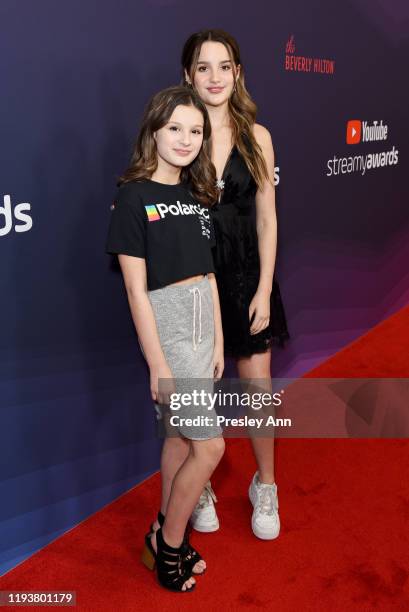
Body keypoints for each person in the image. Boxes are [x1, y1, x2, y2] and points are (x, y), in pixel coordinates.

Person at [106, 86, 225, 592]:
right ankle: (171, 546)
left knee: (180, 441)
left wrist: (218, 339)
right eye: (174, 128)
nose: (185, 139)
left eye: (195, 131)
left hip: (203, 326)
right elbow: (136, 290)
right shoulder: (134, 196)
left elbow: (209, 275)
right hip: (169, 330)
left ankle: (159, 534)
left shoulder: (196, 195)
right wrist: (157, 361)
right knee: (212, 447)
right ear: (153, 131)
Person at [180, 30, 290, 540]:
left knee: (258, 389)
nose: (215, 77)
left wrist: (265, 288)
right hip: (193, 279)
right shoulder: (177, 133)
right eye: (204, 67)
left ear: (238, 73)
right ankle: (198, 483)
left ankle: (264, 484)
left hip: (247, 274)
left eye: (224, 66)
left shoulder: (258, 136)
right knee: (197, 391)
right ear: (188, 76)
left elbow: (267, 218)